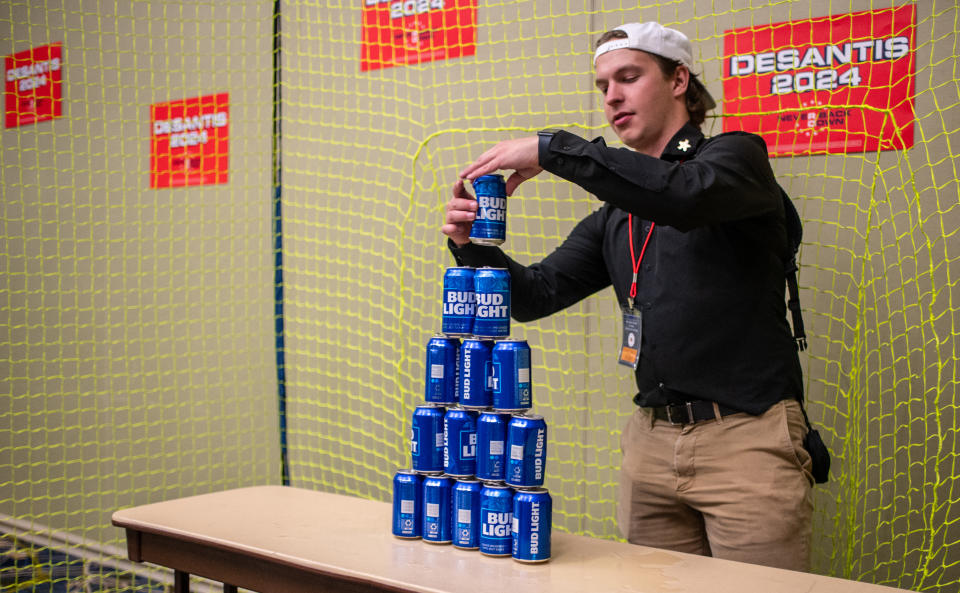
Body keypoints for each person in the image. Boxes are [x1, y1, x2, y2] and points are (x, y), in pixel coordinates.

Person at [442, 22, 814, 571]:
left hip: (747, 442)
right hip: (650, 445)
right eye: (602, 85)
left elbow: (682, 197)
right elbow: (536, 295)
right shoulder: (617, 215)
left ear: (679, 79)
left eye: (629, 77)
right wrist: (473, 249)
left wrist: (553, 150)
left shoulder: (737, 159)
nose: (612, 95)